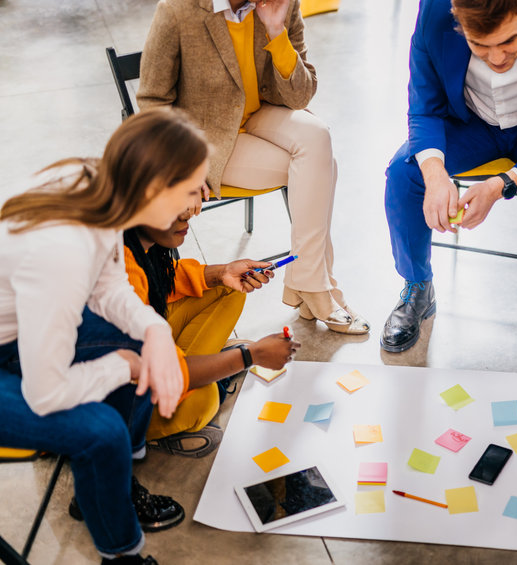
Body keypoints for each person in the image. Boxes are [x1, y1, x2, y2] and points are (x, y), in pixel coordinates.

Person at [0, 108, 209, 564]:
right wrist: (124, 365)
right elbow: (46, 393)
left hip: (22, 328)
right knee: (102, 431)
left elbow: (109, 284)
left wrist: (153, 330)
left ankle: (113, 481)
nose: (199, 200)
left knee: (141, 344)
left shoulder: (101, 181)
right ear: (155, 190)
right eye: (192, 189)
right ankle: (122, 556)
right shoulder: (63, 251)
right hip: (16, 353)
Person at [381, 0, 517, 370]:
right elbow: (424, 108)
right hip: (470, 124)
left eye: (510, 42)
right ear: (457, 19)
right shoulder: (434, 10)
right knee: (404, 174)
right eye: (480, 45)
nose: (497, 58)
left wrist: (502, 185)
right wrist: (435, 174)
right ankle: (418, 285)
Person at [137, 0, 369, 335]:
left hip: (260, 115)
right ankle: (318, 288)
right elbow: (152, 102)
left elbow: (300, 97)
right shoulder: (177, 9)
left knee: (317, 138)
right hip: (203, 142)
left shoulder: (280, 5)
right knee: (320, 166)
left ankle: (311, 285)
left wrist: (277, 32)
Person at [123, 210, 300, 457]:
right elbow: (168, 371)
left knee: (230, 287)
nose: (191, 211)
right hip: (105, 401)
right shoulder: (116, 273)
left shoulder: (129, 240)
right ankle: (205, 379)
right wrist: (249, 356)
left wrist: (222, 272)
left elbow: (162, 280)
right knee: (204, 401)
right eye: (183, 196)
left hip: (144, 353)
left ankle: (206, 368)